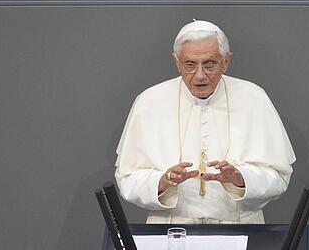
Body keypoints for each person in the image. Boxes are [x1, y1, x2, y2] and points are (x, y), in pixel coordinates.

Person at [115, 20, 295, 223]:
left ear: (226, 61)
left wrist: (242, 179)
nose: (200, 75)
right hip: (170, 227)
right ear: (177, 62)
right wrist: (162, 182)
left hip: (239, 225)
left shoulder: (254, 98)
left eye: (209, 64)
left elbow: (279, 177)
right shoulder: (149, 101)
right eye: (190, 65)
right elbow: (127, 179)